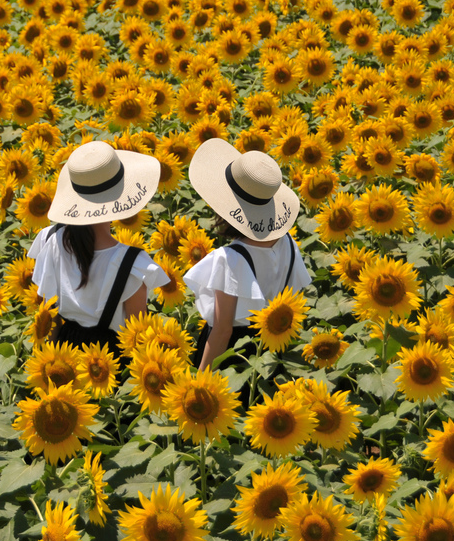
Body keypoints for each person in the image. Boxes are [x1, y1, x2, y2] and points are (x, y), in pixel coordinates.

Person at [28, 141, 170, 355]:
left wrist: (47, 363)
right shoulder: (133, 265)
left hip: (63, 354)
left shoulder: (50, 239)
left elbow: (51, 317)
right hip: (108, 365)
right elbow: (136, 340)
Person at [184, 139, 311, 373]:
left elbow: (223, 331)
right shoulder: (288, 243)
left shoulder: (228, 260)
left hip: (233, 358)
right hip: (270, 351)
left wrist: (199, 379)